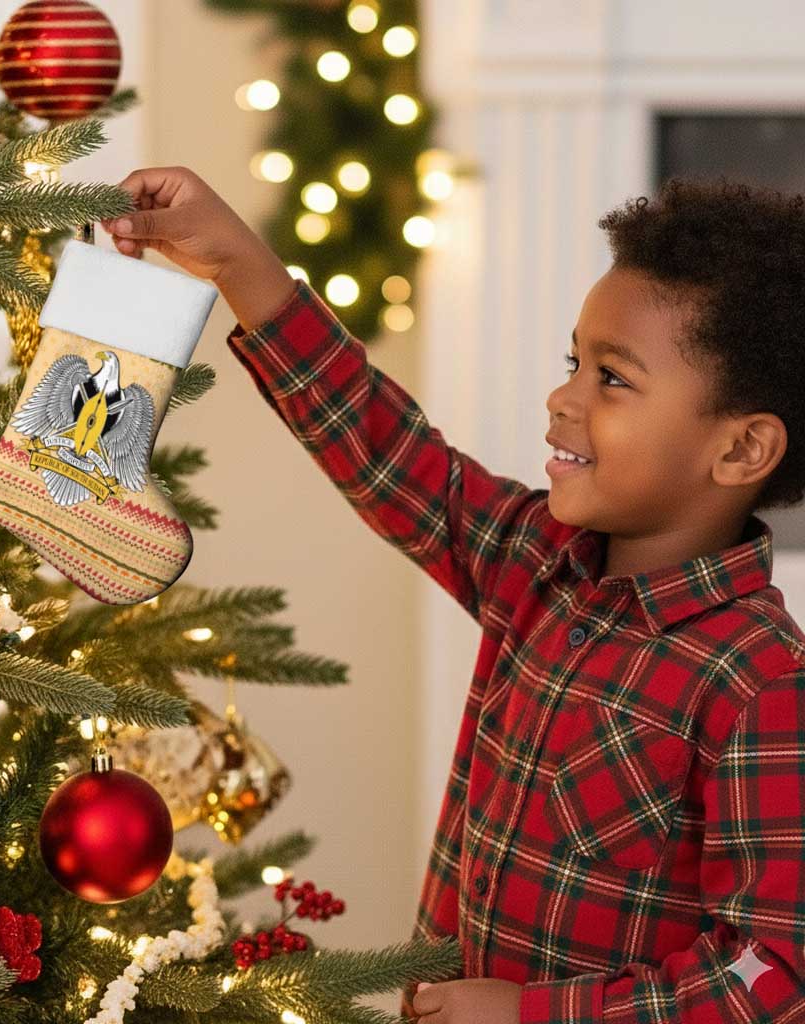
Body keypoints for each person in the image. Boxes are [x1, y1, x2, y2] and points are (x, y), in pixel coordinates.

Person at [102, 168, 805, 1024]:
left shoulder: (761, 683)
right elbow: (388, 453)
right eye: (572, 362)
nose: (564, 397)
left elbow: (767, 982)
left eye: (612, 380)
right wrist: (241, 266)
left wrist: (532, 1016)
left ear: (740, 450)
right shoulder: (539, 565)